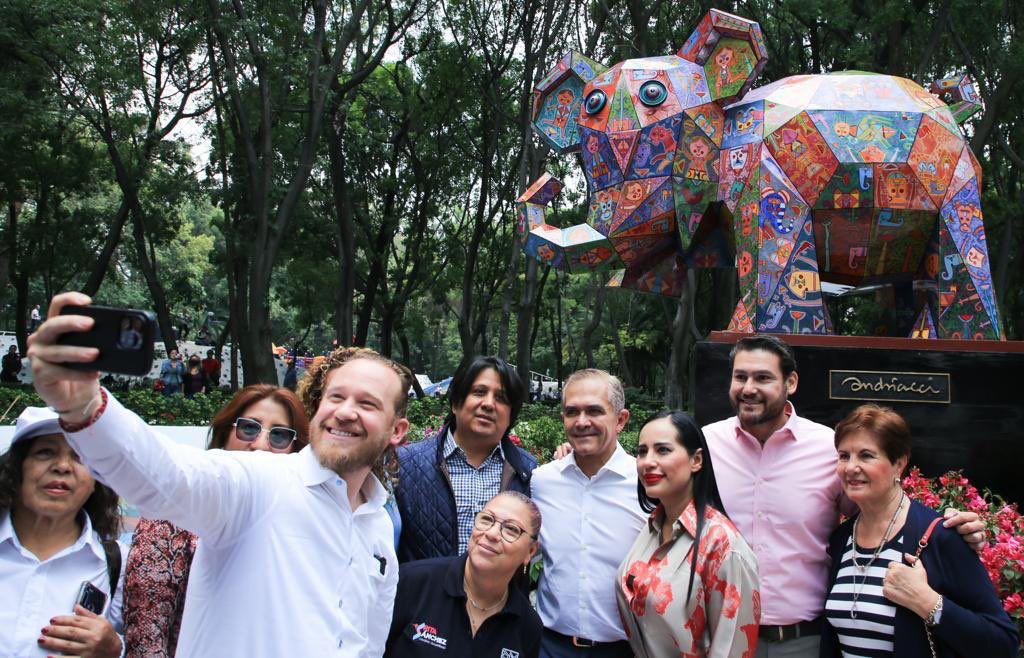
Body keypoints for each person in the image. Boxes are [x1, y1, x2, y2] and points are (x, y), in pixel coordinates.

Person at [27, 291, 412, 656]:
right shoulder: (259, 482)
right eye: (336, 397)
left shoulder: (378, 527)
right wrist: (84, 406)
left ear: (397, 430)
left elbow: (367, 646)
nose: (345, 411)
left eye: (367, 403)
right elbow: (164, 475)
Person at [701, 335, 987, 656]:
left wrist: (953, 532)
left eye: (763, 377)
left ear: (791, 382)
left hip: (803, 642)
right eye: (741, 377)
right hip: (722, 638)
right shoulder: (705, 446)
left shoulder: (829, 448)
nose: (748, 387)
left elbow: (881, 516)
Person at [122, 385, 309, 657]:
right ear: (224, 435)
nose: (260, 445)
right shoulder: (173, 518)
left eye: (279, 436)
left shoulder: (300, 524)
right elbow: (147, 637)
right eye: (248, 428)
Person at [821, 404, 1018, 657]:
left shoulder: (941, 536)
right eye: (844, 455)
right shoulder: (842, 539)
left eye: (866, 455)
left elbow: (1003, 643)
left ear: (899, 464)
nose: (850, 467)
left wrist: (927, 602)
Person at [618, 411, 760, 657]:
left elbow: (732, 649)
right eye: (642, 451)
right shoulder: (652, 527)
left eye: (663, 450)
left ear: (696, 460)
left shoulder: (723, 545)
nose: (647, 461)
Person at [531, 368, 647, 657]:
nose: (582, 422)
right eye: (572, 412)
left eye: (594, 411)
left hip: (625, 649)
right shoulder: (542, 481)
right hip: (550, 646)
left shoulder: (647, 484)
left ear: (621, 420)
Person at [0, 407, 126, 658]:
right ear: (17, 468)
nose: (62, 466)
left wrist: (115, 649)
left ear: (96, 481)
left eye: (79, 456)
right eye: (45, 452)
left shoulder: (120, 565)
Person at [396, 355, 534, 563]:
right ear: (456, 403)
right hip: (424, 594)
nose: (488, 404)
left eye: (501, 398)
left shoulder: (529, 472)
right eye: (479, 392)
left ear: (511, 415)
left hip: (498, 595)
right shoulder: (405, 464)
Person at [385, 491, 544, 657]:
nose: (491, 534)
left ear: (530, 551)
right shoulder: (412, 582)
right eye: (487, 519)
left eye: (511, 529)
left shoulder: (527, 625)